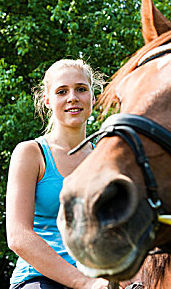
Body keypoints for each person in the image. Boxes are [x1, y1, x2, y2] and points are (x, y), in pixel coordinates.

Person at [6, 59, 119, 289]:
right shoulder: (31, 153)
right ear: (47, 100)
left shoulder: (107, 158)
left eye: (81, 89)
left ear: (93, 97)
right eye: (61, 91)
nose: (72, 98)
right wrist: (83, 283)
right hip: (39, 279)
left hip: (100, 280)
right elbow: (18, 236)